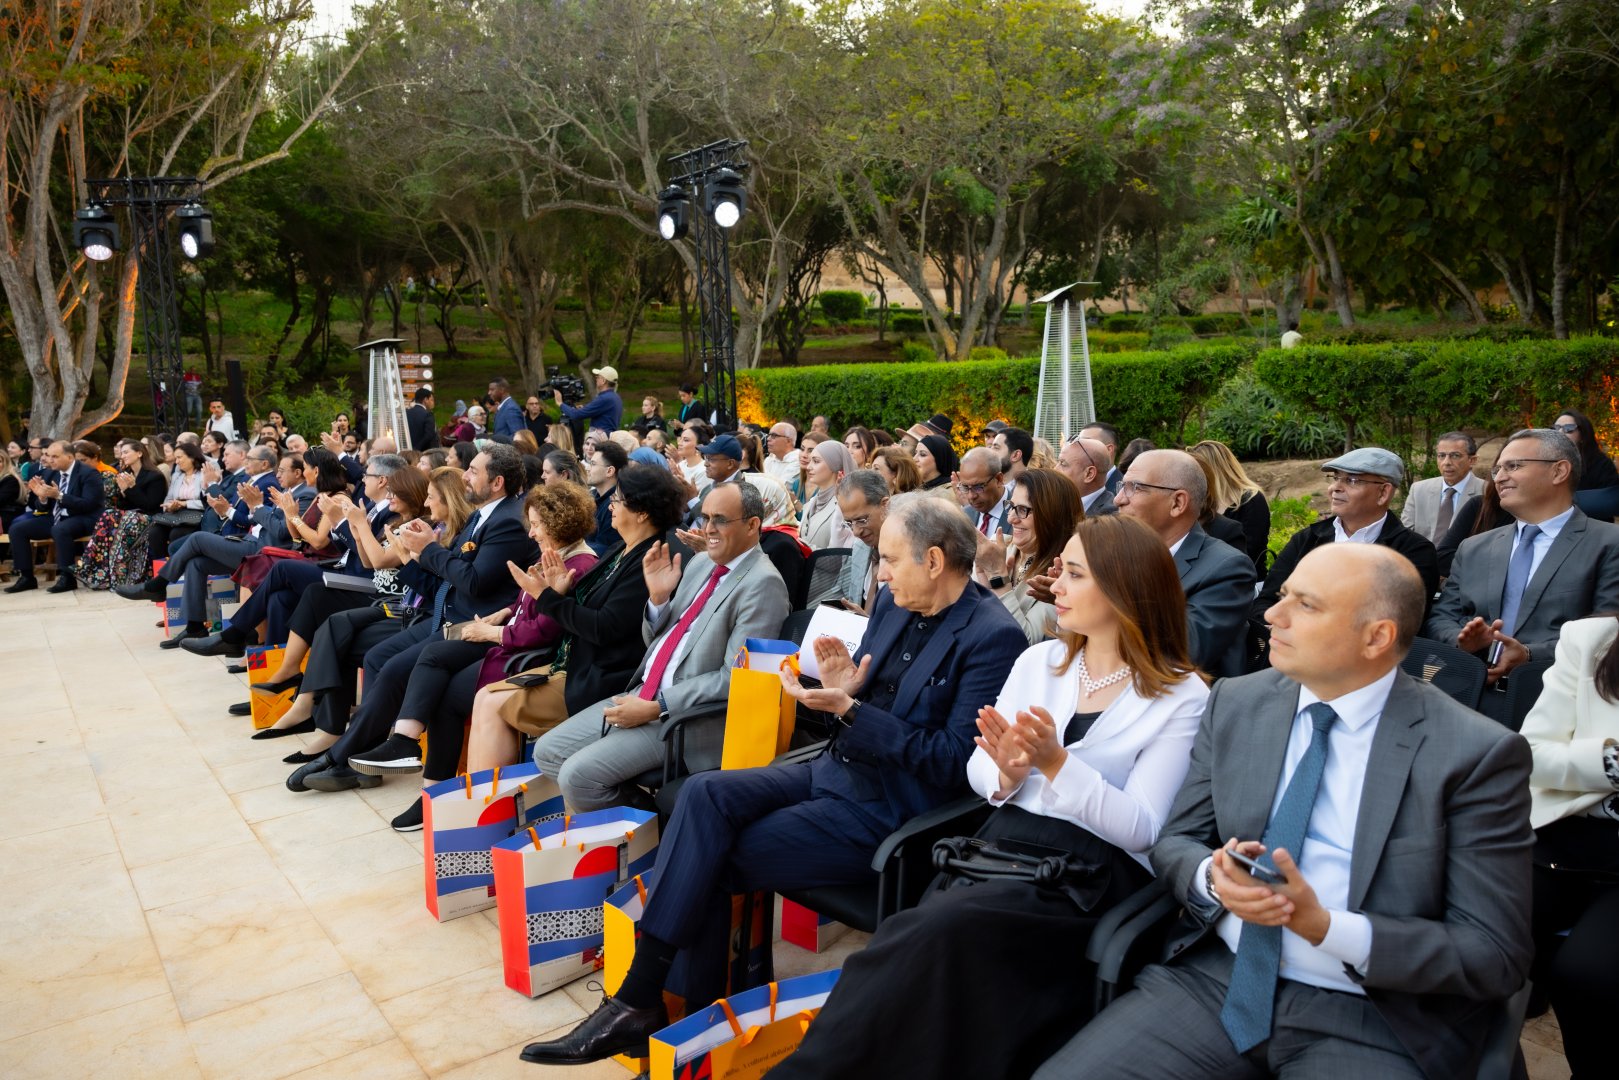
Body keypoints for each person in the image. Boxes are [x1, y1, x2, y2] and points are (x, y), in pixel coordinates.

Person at [518, 494, 1027, 1064]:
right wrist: (843, 689)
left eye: (888, 559)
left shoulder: (993, 637)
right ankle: (658, 1017)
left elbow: (954, 761)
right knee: (702, 796)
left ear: (933, 561)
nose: (879, 573)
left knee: (705, 861)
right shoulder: (894, 601)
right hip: (834, 768)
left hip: (892, 811)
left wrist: (851, 710)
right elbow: (864, 697)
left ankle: (666, 1023)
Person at [1032, 544, 1534, 1080]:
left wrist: (1326, 927)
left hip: (1374, 1014)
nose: (1272, 613)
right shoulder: (1238, 702)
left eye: (1306, 604)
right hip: (1215, 982)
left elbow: (1493, 954)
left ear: (1377, 637)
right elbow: (1176, 840)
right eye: (1284, 594)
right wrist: (1213, 879)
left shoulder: (1474, 753)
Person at [776, 514, 1209, 1080]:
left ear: (1126, 588)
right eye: (1061, 570)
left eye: (1075, 574)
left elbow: (1144, 830)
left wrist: (1056, 765)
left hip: (1090, 876)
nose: (1056, 585)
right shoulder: (1041, 662)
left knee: (926, 941)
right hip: (999, 848)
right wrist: (1007, 774)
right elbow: (980, 770)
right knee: (912, 954)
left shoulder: (1181, 695)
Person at [348, 481, 600, 830]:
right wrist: (503, 613)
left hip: (529, 655)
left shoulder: (578, 565)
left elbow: (547, 629)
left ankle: (429, 788)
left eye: (537, 525)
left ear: (559, 524)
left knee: (447, 693)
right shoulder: (557, 553)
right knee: (435, 656)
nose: (531, 533)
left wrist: (492, 632)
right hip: (512, 639)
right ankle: (408, 749)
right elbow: (528, 602)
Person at [288, 445, 539, 793]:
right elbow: (448, 579)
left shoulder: (507, 521)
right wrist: (413, 557)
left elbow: (473, 582)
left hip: (475, 624)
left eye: (474, 471)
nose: (466, 476)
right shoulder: (482, 516)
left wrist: (427, 550)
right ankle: (357, 757)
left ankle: (344, 757)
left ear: (497, 482)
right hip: (448, 614)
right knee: (381, 659)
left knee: (396, 668)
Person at [532, 482, 791, 811]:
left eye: (721, 520)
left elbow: (734, 679)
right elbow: (657, 639)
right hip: (643, 692)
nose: (708, 529)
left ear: (752, 525)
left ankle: (653, 834)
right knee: (547, 752)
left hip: (687, 719)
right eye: (705, 517)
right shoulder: (701, 563)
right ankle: (649, 823)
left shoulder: (763, 583)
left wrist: (659, 706)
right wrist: (657, 601)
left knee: (577, 776)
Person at [469, 465, 685, 772]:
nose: (610, 505)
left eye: (618, 500)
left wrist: (547, 596)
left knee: (492, 704)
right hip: (576, 664)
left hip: (601, 678)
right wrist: (559, 592)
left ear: (642, 513)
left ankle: (490, 800)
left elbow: (603, 628)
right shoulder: (621, 549)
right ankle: (477, 795)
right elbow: (586, 611)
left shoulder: (650, 559)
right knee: (484, 697)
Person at [254, 466, 461, 745]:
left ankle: (326, 719)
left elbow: (378, 561)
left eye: (394, 492)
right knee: (302, 606)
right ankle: (321, 718)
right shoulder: (400, 522)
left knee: (332, 621)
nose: (389, 497)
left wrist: (355, 524)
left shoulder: (420, 527)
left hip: (398, 602)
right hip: (388, 596)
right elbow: (367, 560)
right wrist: (355, 527)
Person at [1426, 427, 1619, 686]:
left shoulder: (1608, 543)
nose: (1500, 478)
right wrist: (1463, 640)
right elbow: (1441, 617)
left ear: (1559, 471)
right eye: (1497, 470)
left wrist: (1528, 654)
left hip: (1558, 693)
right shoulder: (1473, 548)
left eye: (1514, 466)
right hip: (1468, 691)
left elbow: (1608, 635)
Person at [180, 456, 414, 658]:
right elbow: (311, 539)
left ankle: (235, 634)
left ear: (381, 480)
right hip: (336, 566)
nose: (362, 479)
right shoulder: (367, 505)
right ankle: (273, 668)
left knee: (281, 568)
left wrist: (340, 522)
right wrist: (292, 514)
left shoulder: (382, 510)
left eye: (367, 475)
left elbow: (342, 549)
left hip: (356, 578)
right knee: (279, 598)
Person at [1520, 613, 1619, 1080]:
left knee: (1587, 975)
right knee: (1469, 940)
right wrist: (1610, 761)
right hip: (1561, 838)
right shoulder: (1592, 638)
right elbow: (1532, 753)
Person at [1114, 449, 1256, 677]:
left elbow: (1185, 651)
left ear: (1178, 503)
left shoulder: (1227, 568)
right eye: (1122, 486)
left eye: (1135, 487)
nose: (1118, 499)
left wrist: (1100, 598)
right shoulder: (1119, 553)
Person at [1255, 448, 1438, 623]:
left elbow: (1400, 622)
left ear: (1383, 492)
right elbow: (1266, 602)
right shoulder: (1307, 539)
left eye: (1351, 480)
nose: (1335, 488)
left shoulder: (1412, 552)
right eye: (1335, 478)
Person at [982, 468, 1084, 645]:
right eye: (1011, 507)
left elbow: (1022, 642)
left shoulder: (1059, 574)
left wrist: (999, 578)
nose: (1011, 519)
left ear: (1051, 515)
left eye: (1023, 510)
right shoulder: (998, 547)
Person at [5, 439, 107, 593]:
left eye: (55, 456)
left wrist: (59, 496)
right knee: (17, 529)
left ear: (70, 457)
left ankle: (67, 577)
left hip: (85, 517)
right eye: (48, 455)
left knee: (60, 529)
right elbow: (40, 507)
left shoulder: (89, 473)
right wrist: (42, 498)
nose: (50, 460)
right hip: (57, 518)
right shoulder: (49, 473)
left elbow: (89, 504)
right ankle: (26, 577)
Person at [73, 439, 167, 590]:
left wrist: (131, 489)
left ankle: (107, 574)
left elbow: (150, 505)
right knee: (109, 514)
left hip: (150, 518)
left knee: (123, 520)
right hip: (131, 517)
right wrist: (123, 492)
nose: (122, 456)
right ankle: (92, 568)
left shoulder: (155, 476)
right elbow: (123, 506)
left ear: (139, 453)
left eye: (126, 452)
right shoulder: (127, 474)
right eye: (121, 453)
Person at [1188, 439, 1271, 574]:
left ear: (1212, 469)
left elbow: (1251, 550)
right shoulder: (1203, 501)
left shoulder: (1252, 499)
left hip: (1245, 577)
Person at [1400, 431, 1484, 543]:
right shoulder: (1419, 490)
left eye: (1455, 455)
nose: (1446, 462)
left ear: (1472, 460)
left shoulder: (1487, 492)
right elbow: (1405, 534)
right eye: (1441, 456)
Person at [832, 470, 890, 611]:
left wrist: (869, 621)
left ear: (885, 505)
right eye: (849, 523)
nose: (856, 532)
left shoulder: (908, 554)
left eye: (861, 520)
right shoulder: (859, 547)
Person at [1555, 407, 1619, 521]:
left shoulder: (1601, 464)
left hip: (1593, 525)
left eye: (1569, 428)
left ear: (1582, 434)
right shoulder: (1544, 460)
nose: (1560, 432)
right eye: (1556, 428)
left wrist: (1567, 502)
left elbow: (1611, 500)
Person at [798, 440, 856, 550]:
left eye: (816, 461)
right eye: (810, 461)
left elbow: (839, 554)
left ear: (834, 465)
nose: (808, 467)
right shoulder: (812, 502)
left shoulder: (844, 508)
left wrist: (800, 547)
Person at [955, 446, 1015, 537]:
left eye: (978, 487)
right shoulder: (964, 515)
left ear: (999, 479)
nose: (971, 496)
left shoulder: (1021, 514)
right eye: (965, 487)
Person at [1059, 435, 1117, 517]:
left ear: (1089, 474)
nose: (1054, 469)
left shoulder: (1107, 518)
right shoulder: (1057, 504)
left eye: (1063, 464)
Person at [585, 440, 626, 556]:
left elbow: (604, 549)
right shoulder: (593, 496)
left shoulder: (615, 506)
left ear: (609, 471)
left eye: (593, 464)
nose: (588, 468)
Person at [556, 365, 624, 435]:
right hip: (607, 437)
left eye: (598, 377)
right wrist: (584, 408)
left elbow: (576, 415)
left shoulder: (605, 398)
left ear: (603, 381)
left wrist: (560, 403)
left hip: (600, 439)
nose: (596, 379)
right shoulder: (615, 397)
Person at [1080, 421, 1122, 493]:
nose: (1080, 448)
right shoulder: (1076, 483)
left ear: (1108, 449)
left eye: (1086, 443)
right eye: (1079, 442)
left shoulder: (1122, 490)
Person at [914, 433, 959, 500]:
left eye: (922, 454)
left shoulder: (949, 494)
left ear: (939, 459)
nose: (914, 459)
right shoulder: (918, 487)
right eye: (915, 453)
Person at [762, 422, 802, 489]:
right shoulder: (769, 459)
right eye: (769, 435)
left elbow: (781, 489)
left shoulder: (798, 460)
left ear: (788, 441)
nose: (768, 439)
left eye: (774, 436)